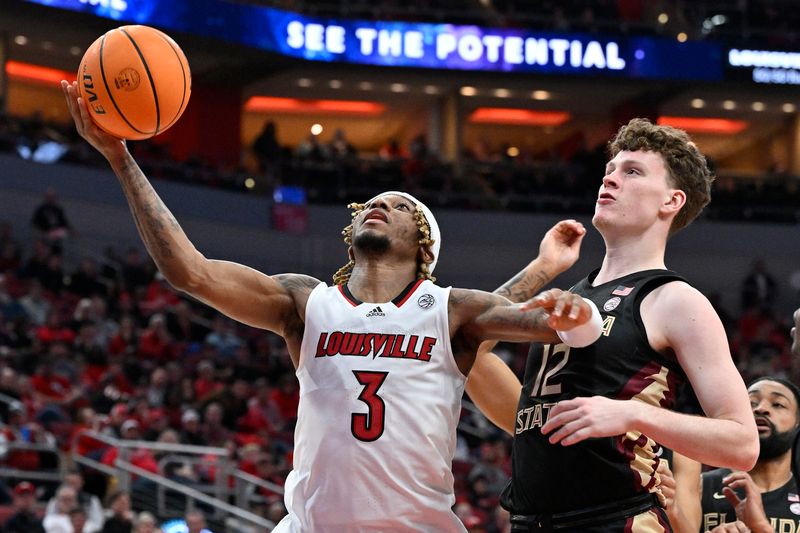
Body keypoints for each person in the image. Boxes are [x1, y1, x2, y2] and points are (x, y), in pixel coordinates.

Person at [62, 80, 602, 532]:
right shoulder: (306, 301)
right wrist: (120, 157)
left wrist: (573, 310)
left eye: (398, 206)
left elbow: (537, 324)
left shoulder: (450, 309)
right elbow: (192, 272)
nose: (379, 205)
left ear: (424, 247)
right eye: (372, 203)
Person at [471, 118, 759, 532]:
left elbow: (742, 444)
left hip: (617, 520)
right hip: (530, 522)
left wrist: (631, 416)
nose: (610, 180)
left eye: (632, 172)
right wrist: (542, 267)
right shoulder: (572, 294)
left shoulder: (675, 299)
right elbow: (469, 343)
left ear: (671, 201)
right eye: (609, 171)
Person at [695, 377, 800, 533]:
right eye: (751, 403)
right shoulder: (700, 487)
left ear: (798, 422)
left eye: (778, 404)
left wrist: (760, 526)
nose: (760, 409)